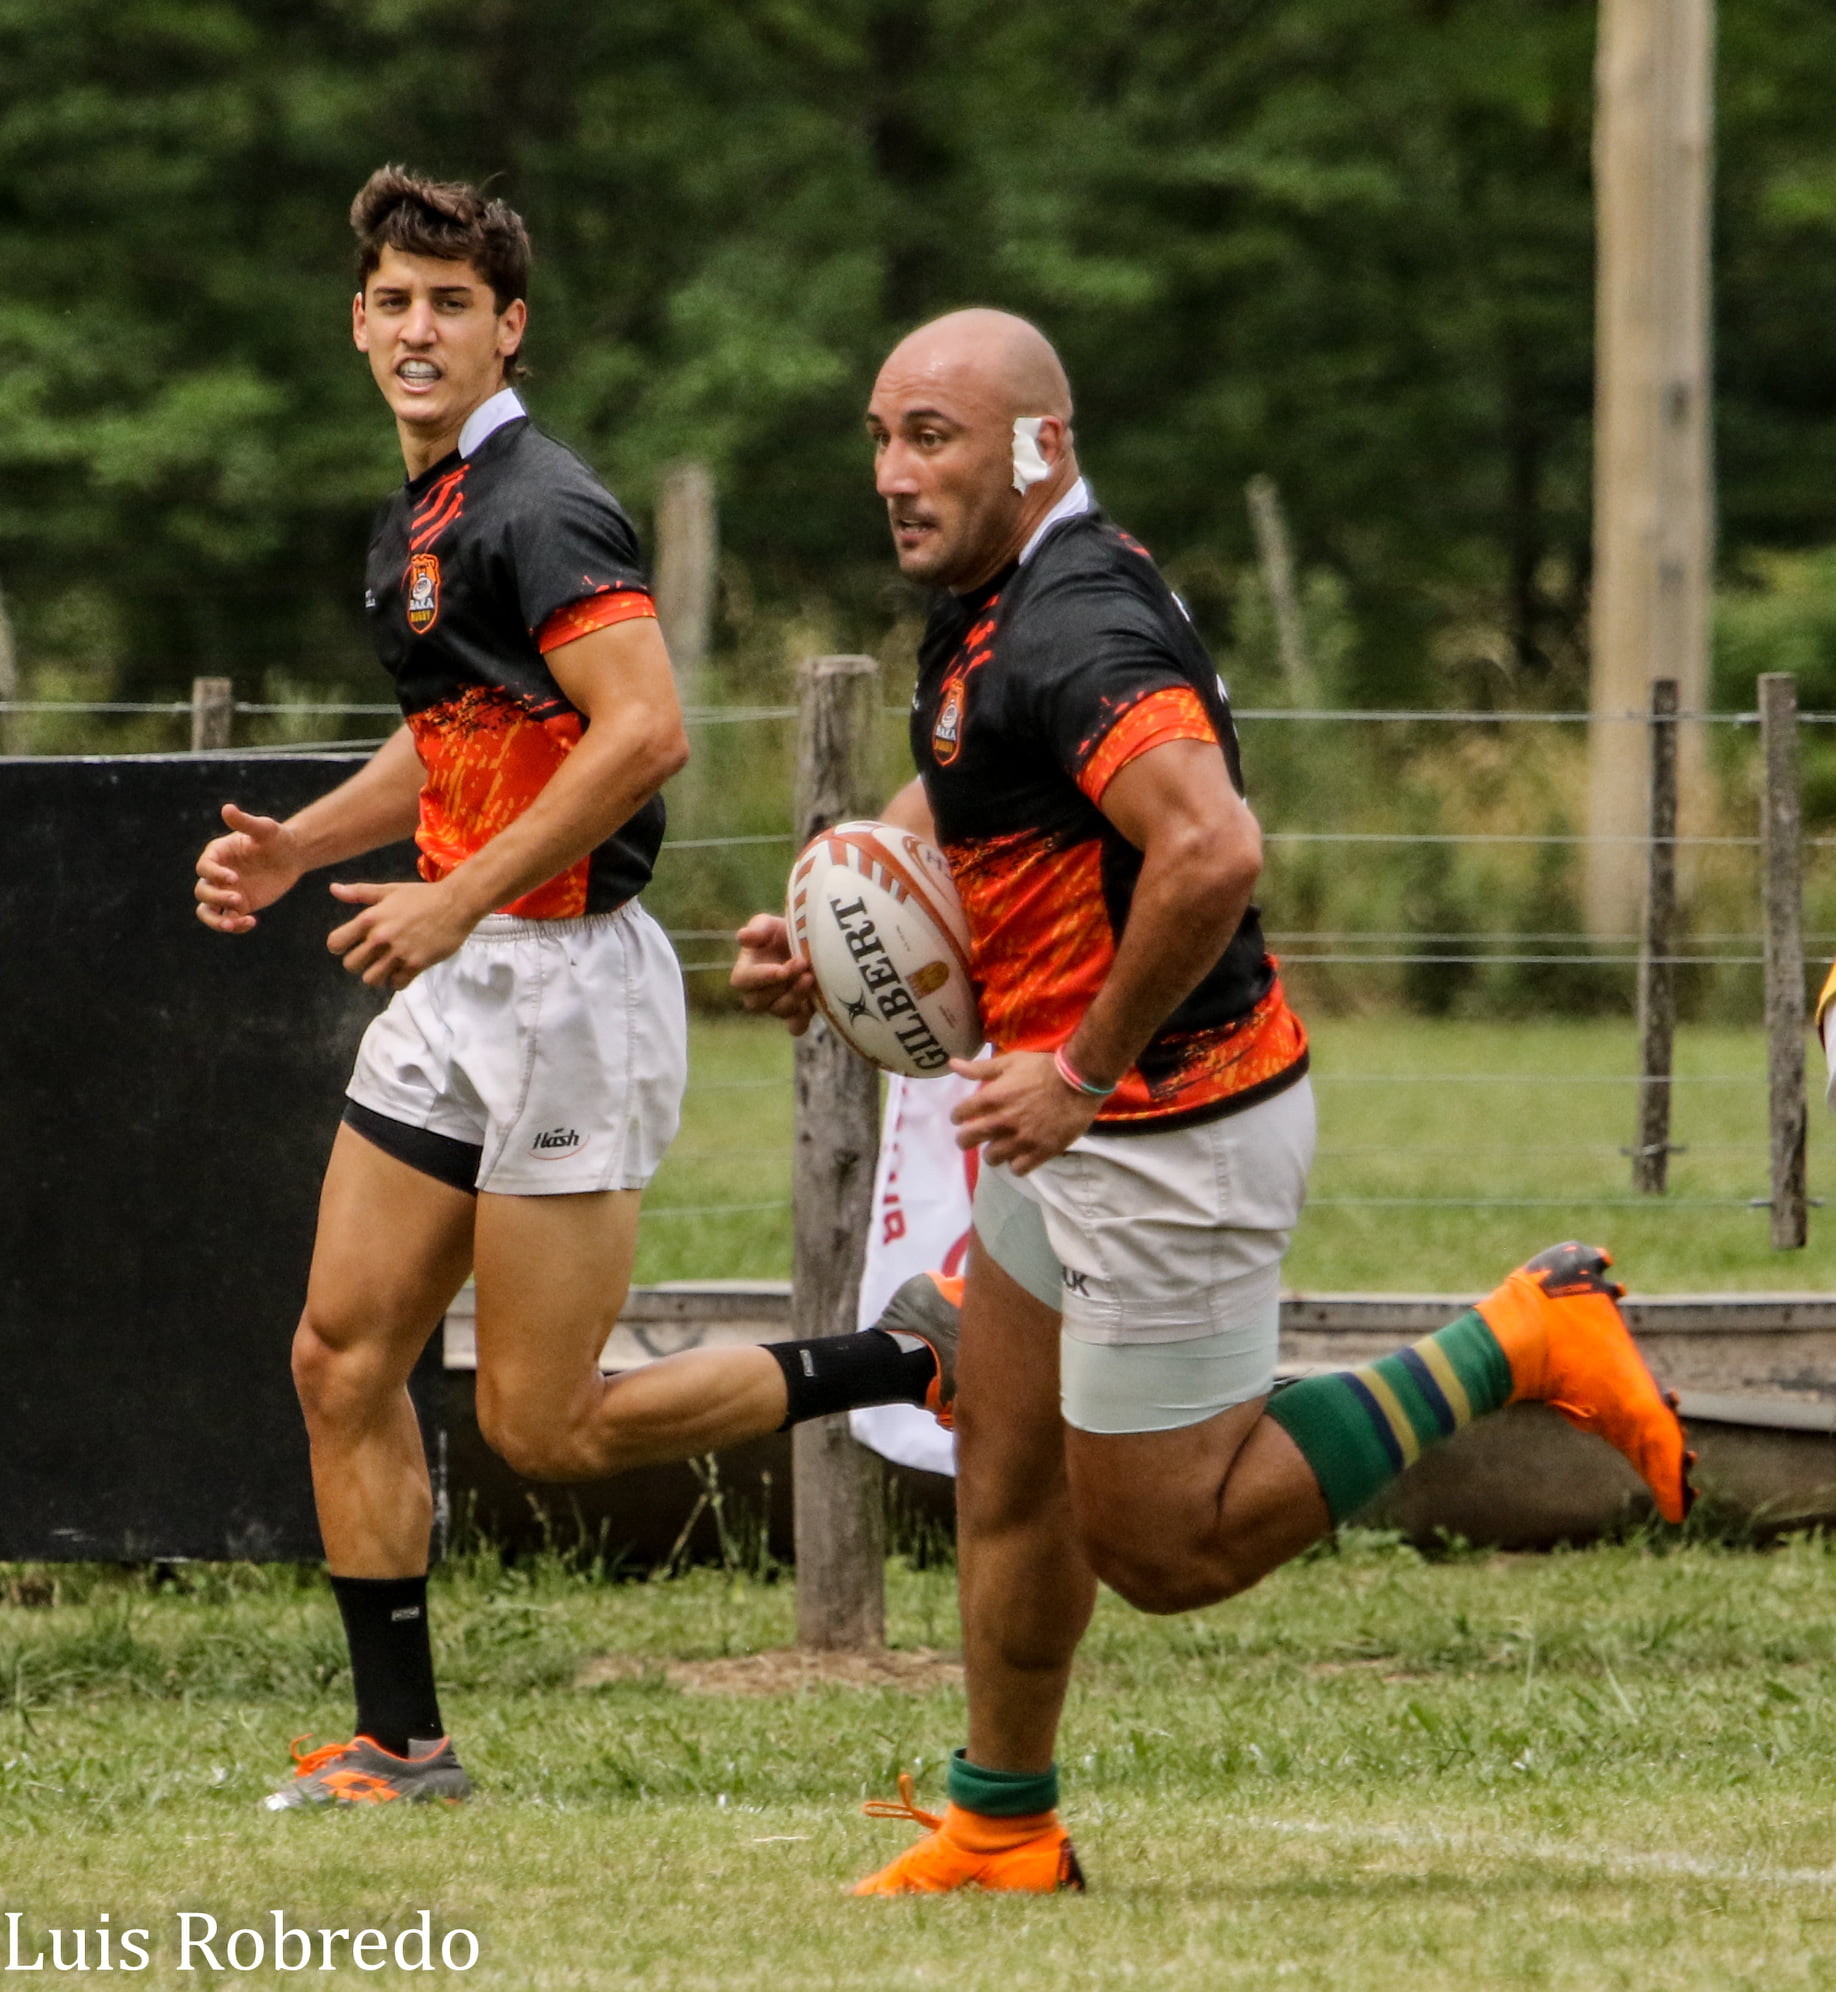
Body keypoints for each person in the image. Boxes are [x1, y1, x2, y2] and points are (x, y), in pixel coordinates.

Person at [733, 307, 1695, 1894]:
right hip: (1063, 1124)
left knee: (1169, 1546)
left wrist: (1086, 1066)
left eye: (934, 438)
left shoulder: (1077, 623)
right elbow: (979, 787)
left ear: (1039, 445)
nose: (894, 474)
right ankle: (1002, 1823)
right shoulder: (1000, 602)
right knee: (1010, 1459)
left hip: (1170, 1127)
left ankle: (1525, 1336)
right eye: (882, 438)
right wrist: (846, 924)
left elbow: (1212, 850)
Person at [193, 167, 958, 1810]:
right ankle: (404, 1746)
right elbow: (462, 737)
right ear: (358, 323)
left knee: (550, 1426)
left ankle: (905, 1360)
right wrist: (298, 848)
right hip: (467, 978)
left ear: (505, 328)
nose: (417, 327)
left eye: (450, 304)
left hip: (565, 994)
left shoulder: (544, 505)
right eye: (394, 301)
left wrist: (458, 895)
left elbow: (646, 731)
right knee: (340, 1357)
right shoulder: (425, 510)